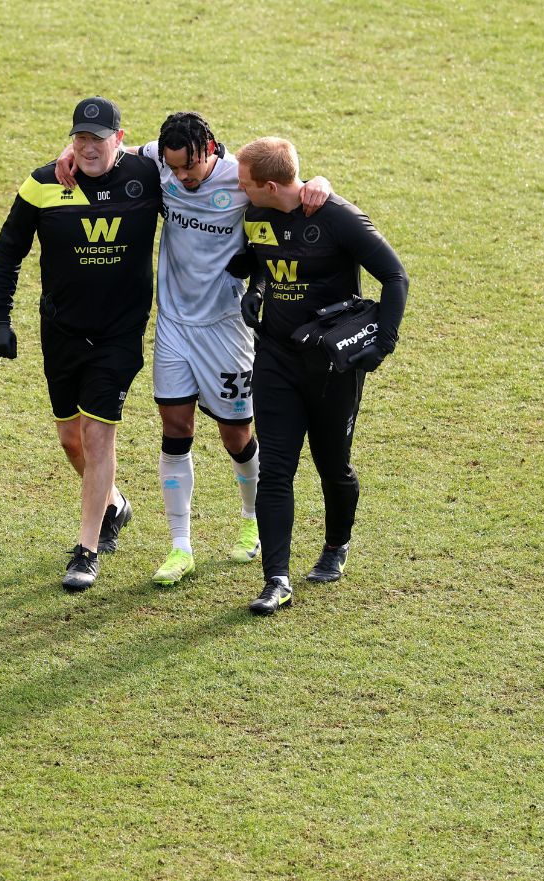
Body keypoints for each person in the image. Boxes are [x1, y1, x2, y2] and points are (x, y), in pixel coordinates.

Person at [52, 114, 331, 587]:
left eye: (189, 169)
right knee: (174, 426)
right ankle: (180, 546)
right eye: (173, 169)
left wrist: (318, 182)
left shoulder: (240, 176)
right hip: (175, 326)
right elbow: (109, 150)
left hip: (225, 329)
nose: (181, 178)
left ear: (210, 148)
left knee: (235, 435)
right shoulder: (159, 158)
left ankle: (252, 522)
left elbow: (289, 186)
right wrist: (67, 152)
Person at [0, 96, 161, 591]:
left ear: (119, 140)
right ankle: (115, 505)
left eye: (97, 139)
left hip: (119, 334)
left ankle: (86, 551)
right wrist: (0, 317)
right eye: (79, 138)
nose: (87, 147)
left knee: (98, 435)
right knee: (70, 439)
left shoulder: (147, 179)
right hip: (60, 331)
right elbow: (9, 251)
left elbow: (209, 163)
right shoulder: (44, 184)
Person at [231, 136, 409, 615]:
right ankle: (277, 580)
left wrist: (383, 342)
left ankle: (336, 545)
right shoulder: (257, 215)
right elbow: (268, 258)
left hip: (332, 367)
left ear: (270, 185)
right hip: (275, 360)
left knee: (332, 465)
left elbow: (395, 277)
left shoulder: (335, 216)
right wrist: (257, 285)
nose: (238, 187)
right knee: (276, 471)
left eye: (246, 182)